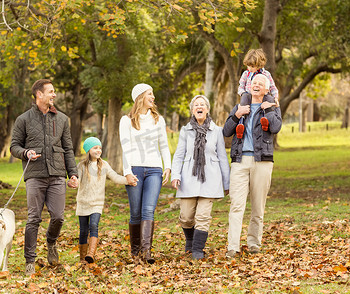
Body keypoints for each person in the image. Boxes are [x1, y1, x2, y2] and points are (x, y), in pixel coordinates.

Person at [10, 79, 79, 275]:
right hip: (34, 176)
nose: (54, 95)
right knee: (33, 218)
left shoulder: (63, 119)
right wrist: (25, 153)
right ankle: (29, 261)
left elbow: (68, 149)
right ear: (39, 95)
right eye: (51, 91)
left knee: (58, 216)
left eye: (54, 91)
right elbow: (14, 146)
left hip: (57, 175)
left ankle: (51, 243)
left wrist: (73, 173)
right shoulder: (23, 119)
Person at [223, 74, 282, 258]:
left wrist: (270, 110)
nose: (256, 85)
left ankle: (254, 243)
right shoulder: (241, 106)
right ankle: (233, 246)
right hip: (240, 161)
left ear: (266, 90)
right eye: (254, 83)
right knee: (236, 205)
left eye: (260, 84)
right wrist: (236, 115)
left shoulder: (272, 106)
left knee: (258, 206)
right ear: (249, 87)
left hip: (262, 161)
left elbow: (275, 127)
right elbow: (226, 131)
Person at [171, 95, 230, 259]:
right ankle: (190, 242)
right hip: (189, 177)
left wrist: (227, 182)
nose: (200, 107)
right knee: (186, 217)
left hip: (210, 177)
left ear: (207, 109)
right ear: (192, 110)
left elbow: (223, 157)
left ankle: (197, 250)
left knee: (203, 216)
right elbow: (179, 155)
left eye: (202, 104)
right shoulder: (185, 130)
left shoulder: (216, 130)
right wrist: (175, 175)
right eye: (196, 104)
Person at [119, 83, 172, 264]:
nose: (153, 97)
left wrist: (168, 166)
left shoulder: (158, 119)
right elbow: (125, 149)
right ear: (140, 97)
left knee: (148, 210)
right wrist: (127, 172)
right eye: (150, 93)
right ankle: (135, 252)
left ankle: (146, 252)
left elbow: (164, 145)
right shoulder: (126, 121)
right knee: (135, 212)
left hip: (154, 169)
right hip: (134, 169)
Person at [76, 137, 137, 264]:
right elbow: (76, 179)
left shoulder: (104, 165)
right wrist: (73, 182)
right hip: (83, 203)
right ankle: (82, 258)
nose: (98, 150)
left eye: (99, 148)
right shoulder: (81, 166)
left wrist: (127, 180)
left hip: (97, 203)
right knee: (83, 231)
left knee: (94, 226)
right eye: (95, 148)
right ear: (88, 150)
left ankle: (90, 255)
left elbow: (115, 177)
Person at [236, 49, 279, 139]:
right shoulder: (246, 74)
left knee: (269, 100)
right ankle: (241, 124)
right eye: (248, 66)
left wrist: (275, 97)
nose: (249, 68)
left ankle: (265, 122)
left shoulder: (266, 74)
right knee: (244, 98)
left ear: (259, 65)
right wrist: (243, 93)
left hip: (262, 95)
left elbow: (272, 87)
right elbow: (241, 87)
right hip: (248, 96)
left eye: (252, 66)